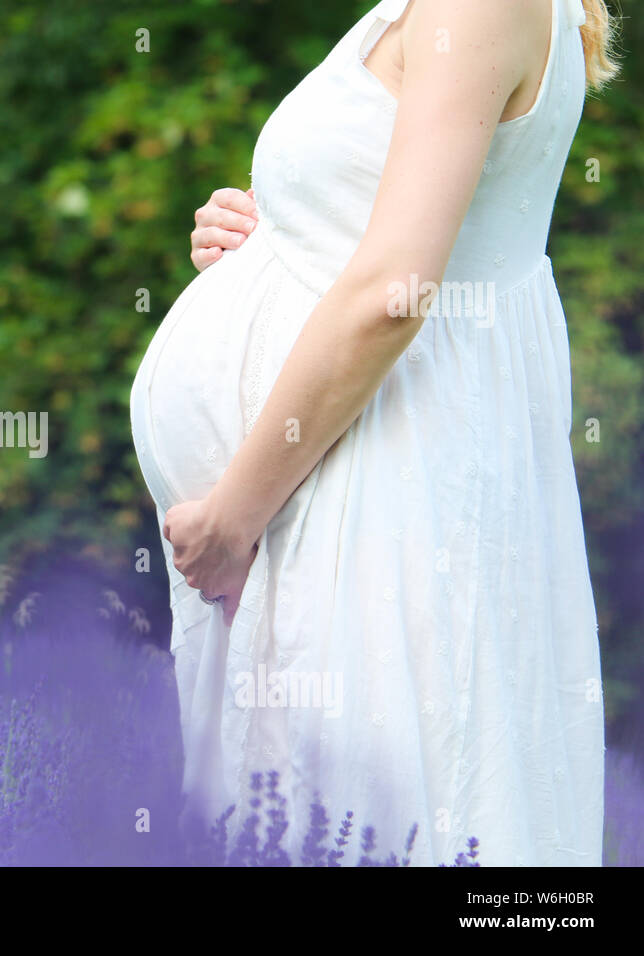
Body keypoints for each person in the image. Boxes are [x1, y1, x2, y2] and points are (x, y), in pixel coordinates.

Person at [129, 0, 619, 865]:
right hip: (341, 484)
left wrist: (233, 519)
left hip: (366, 496)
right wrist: (265, 228)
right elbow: (385, 225)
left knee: (355, 820)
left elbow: (395, 293)